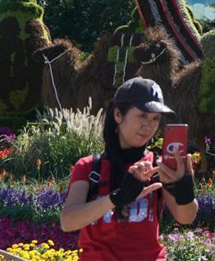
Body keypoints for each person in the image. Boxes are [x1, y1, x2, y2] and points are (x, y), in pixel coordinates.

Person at [61, 77, 198, 260]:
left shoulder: (158, 167)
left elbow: (186, 218)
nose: (148, 125)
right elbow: (68, 221)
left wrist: (185, 192)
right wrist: (117, 198)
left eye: (155, 118)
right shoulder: (89, 167)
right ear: (118, 115)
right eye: (142, 115)